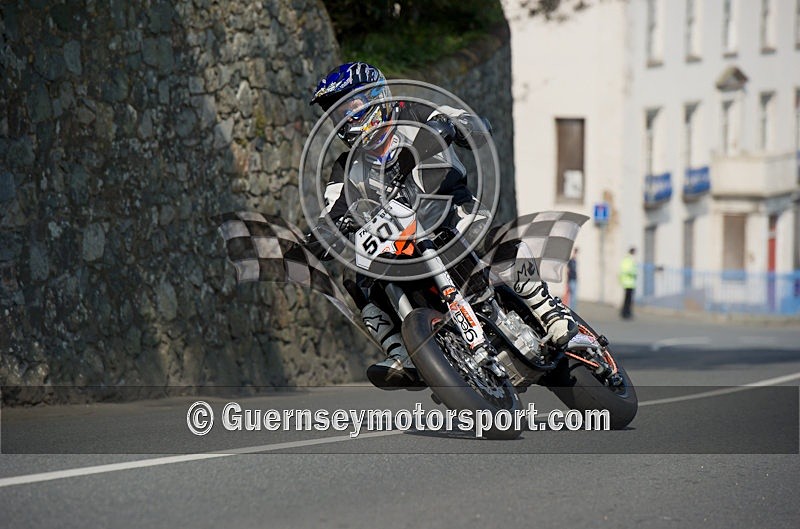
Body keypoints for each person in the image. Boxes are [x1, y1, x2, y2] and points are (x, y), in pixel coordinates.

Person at [306, 62, 577, 388]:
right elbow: (331, 210)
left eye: (351, 106)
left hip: (449, 209)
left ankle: (548, 310)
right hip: (400, 237)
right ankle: (404, 355)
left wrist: (454, 127)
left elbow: (469, 124)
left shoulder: (415, 113)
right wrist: (316, 238)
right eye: (337, 114)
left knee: (490, 236)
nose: (345, 119)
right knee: (361, 280)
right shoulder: (345, 168)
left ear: (375, 96)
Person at [619, 247, 637, 319]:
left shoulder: (627, 259)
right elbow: (627, 270)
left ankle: (626, 312)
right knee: (628, 300)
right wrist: (634, 273)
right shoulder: (628, 260)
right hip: (628, 283)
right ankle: (626, 313)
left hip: (629, 283)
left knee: (628, 299)